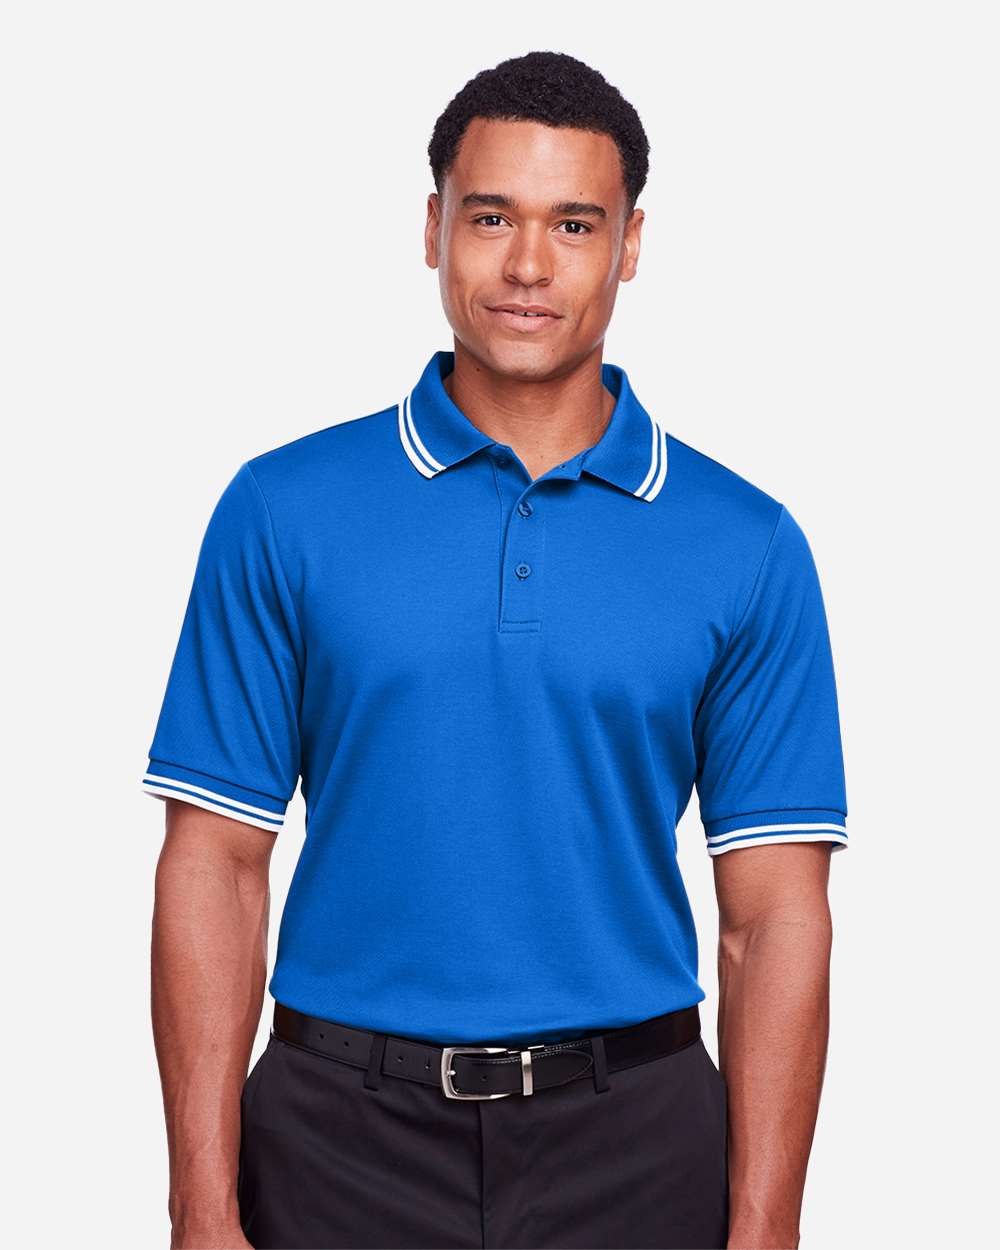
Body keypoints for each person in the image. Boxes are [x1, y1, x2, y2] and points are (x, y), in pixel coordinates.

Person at [144, 51, 848, 1250]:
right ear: (432, 229)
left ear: (628, 245)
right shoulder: (283, 508)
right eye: (490, 218)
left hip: (636, 1140)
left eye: (573, 223)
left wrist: (766, 1223)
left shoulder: (745, 543)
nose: (528, 265)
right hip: (336, 1138)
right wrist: (201, 1208)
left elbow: (774, 915)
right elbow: (214, 863)